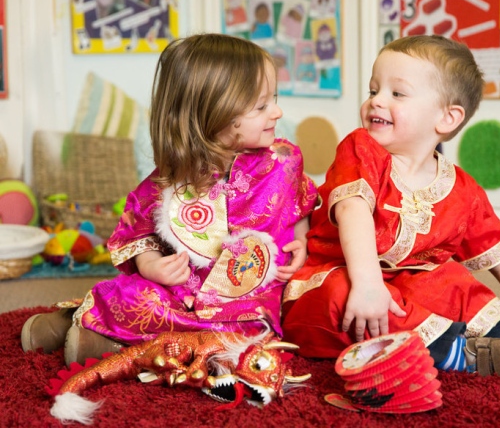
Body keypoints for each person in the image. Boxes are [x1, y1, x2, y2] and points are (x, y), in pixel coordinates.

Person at [282, 35, 500, 384]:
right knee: (343, 292)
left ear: (447, 118)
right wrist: (369, 283)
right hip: (335, 280)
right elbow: (353, 211)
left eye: (397, 93)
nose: (376, 102)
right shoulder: (361, 149)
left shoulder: (461, 189)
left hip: (406, 286)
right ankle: (470, 355)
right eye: (374, 90)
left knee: (453, 282)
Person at [22, 33, 319, 366]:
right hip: (180, 292)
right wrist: (152, 266)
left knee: (247, 342)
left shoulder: (283, 160)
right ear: (214, 114)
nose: (277, 112)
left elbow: (301, 203)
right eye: (262, 106)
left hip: (249, 300)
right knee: (132, 296)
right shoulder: (175, 176)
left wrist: (303, 241)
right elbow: (138, 233)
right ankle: (77, 320)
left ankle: (118, 347)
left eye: (274, 98)